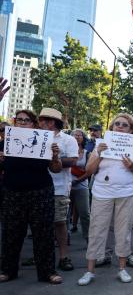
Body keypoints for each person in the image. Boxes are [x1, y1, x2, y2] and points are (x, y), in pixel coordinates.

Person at [78, 113, 133, 286]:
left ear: (131, 130)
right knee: (97, 229)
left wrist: (132, 166)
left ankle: (122, 269)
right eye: (117, 124)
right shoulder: (101, 145)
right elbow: (89, 170)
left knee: (124, 230)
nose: (120, 126)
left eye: (125, 125)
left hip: (127, 193)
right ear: (112, 127)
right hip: (102, 192)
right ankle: (89, 271)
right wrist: (99, 153)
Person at [0, 110, 63, 284]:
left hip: (40, 192)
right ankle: (7, 270)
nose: (22, 123)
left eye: (26, 120)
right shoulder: (5, 142)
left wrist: (56, 156)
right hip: (12, 193)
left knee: (43, 234)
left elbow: (56, 169)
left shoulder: (45, 142)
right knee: (11, 233)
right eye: (18, 120)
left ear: (33, 124)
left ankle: (48, 272)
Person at [38, 107, 78, 272]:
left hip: (58, 188)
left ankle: (63, 257)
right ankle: (40, 256)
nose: (39, 123)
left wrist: (54, 156)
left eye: (42, 120)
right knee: (39, 224)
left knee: (59, 222)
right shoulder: (35, 136)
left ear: (51, 122)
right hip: (36, 186)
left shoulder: (68, 140)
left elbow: (73, 161)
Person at [70, 129, 91, 242]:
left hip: (81, 186)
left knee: (85, 214)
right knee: (63, 215)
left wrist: (77, 180)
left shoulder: (88, 153)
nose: (77, 136)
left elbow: (89, 171)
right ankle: (62, 238)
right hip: (66, 185)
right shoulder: (65, 150)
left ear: (83, 138)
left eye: (79, 135)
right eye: (74, 134)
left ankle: (88, 237)